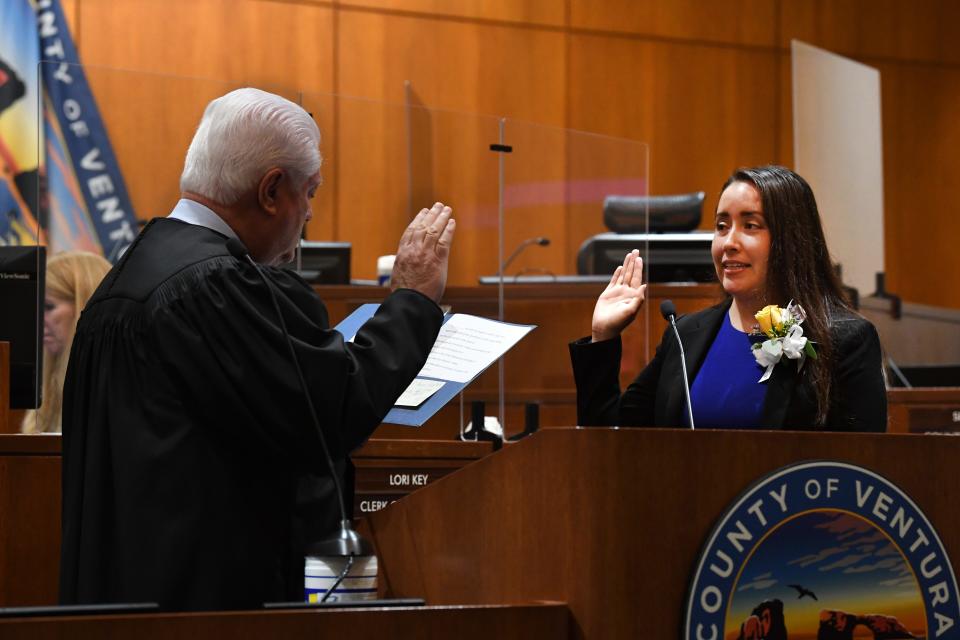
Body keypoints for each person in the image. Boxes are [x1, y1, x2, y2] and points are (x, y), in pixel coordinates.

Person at [59, 88, 455, 611]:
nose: (309, 213)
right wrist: (412, 298)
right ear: (271, 191)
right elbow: (331, 411)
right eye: (308, 192)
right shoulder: (216, 287)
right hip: (207, 608)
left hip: (128, 596)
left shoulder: (133, 269)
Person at [570, 165, 886, 431]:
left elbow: (857, 465)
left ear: (791, 241)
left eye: (750, 225)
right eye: (722, 226)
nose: (728, 242)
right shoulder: (685, 336)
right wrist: (603, 337)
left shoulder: (843, 340)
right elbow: (612, 441)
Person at [21, 251, 110, 434]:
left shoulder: (117, 393)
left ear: (83, 306)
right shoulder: (44, 390)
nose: (37, 319)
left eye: (48, 307)